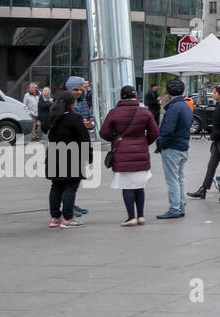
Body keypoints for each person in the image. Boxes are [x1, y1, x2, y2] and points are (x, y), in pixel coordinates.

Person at [100, 85, 159, 227]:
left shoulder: (114, 112)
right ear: (135, 96)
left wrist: (114, 138)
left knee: (127, 186)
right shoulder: (145, 112)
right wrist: (144, 142)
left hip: (122, 153)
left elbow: (104, 132)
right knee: (139, 186)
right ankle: (141, 216)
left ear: (122, 96)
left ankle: (131, 217)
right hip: (141, 153)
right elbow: (154, 132)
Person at [44, 90, 92, 227]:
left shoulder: (52, 117)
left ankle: (55, 218)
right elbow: (84, 138)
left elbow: (44, 129)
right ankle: (68, 217)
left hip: (54, 154)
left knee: (56, 186)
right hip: (71, 154)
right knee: (71, 186)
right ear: (72, 103)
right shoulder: (75, 118)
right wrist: (88, 156)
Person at [155, 78, 193, 220]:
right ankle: (181, 205)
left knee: (172, 179)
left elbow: (167, 129)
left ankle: (175, 207)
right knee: (180, 178)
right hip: (182, 146)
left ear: (169, 92)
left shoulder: (173, 107)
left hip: (172, 147)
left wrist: (160, 143)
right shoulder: (185, 106)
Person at [189, 83, 220, 200]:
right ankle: (204, 189)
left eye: (215, 92)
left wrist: (215, 134)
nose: (213, 95)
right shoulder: (219, 105)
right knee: (211, 165)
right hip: (217, 140)